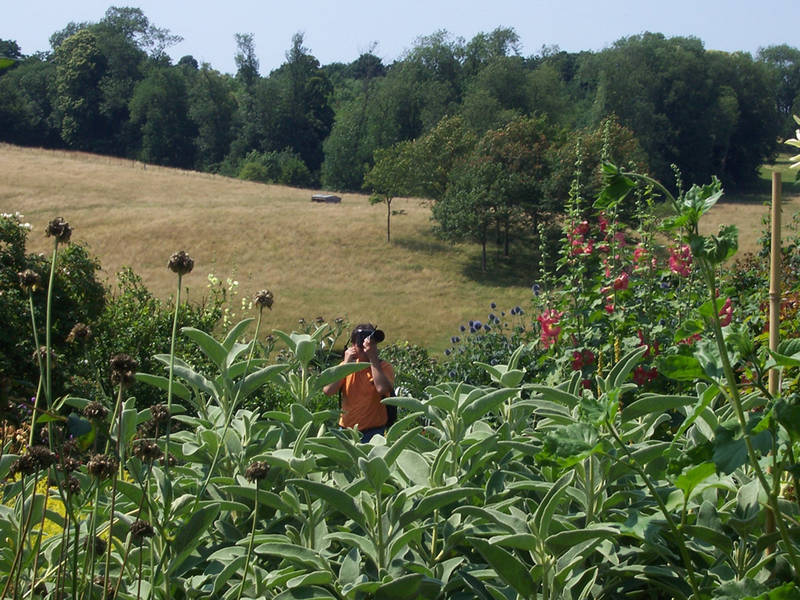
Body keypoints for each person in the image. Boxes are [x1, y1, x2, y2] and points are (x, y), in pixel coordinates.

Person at [323, 324, 395, 442]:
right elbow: (328, 391)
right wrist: (346, 364)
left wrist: (373, 359)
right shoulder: (347, 367)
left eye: (371, 345)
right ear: (352, 346)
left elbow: (382, 389)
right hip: (346, 431)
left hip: (373, 432)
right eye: (361, 346)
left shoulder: (383, 367)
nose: (366, 349)